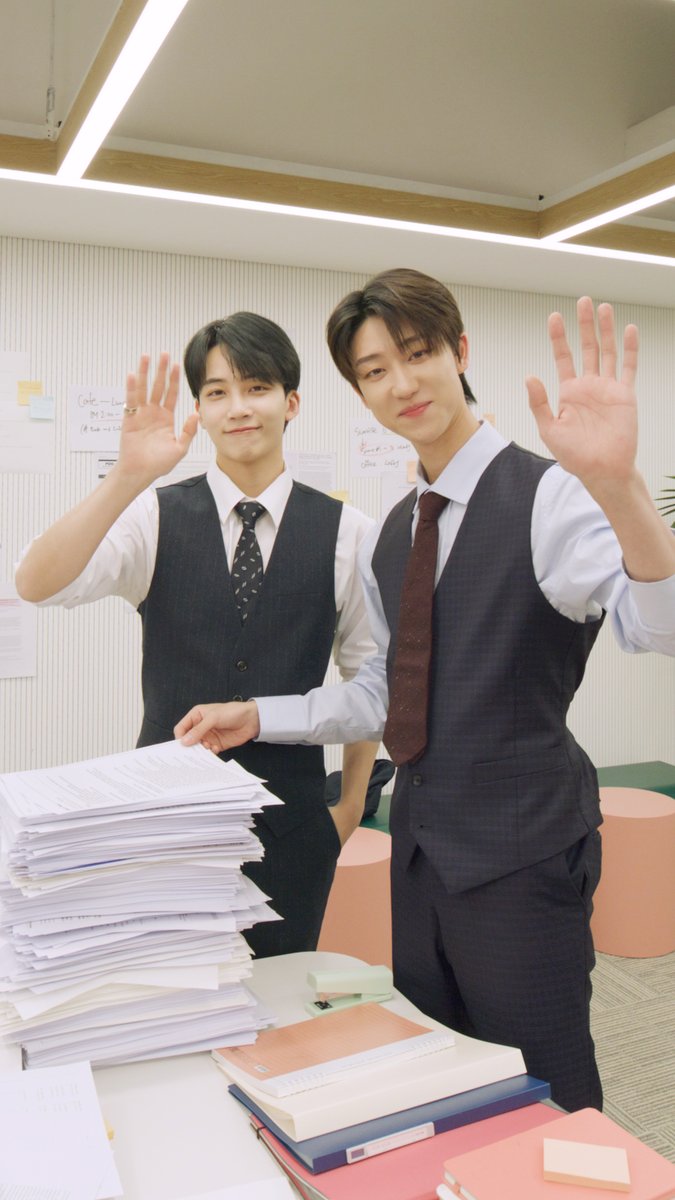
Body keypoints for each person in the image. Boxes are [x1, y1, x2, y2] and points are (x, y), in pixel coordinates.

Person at [174, 270, 675, 1113]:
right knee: (449, 1080)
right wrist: (259, 715)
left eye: (416, 354)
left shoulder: (551, 494)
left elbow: (657, 627)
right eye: (374, 371)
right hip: (419, 852)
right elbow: (385, 695)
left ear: (459, 352)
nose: (400, 383)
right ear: (357, 392)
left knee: (545, 1084)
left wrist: (619, 485)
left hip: (522, 851)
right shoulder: (398, 530)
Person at [15, 311, 378, 958]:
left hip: (294, 830)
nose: (238, 407)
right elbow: (36, 583)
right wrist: (128, 475)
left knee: (280, 999)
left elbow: (367, 676)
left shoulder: (350, 532)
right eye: (217, 392)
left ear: (291, 402)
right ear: (200, 411)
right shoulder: (153, 516)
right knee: (164, 993)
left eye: (257, 387)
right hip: (162, 824)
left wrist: (347, 810)